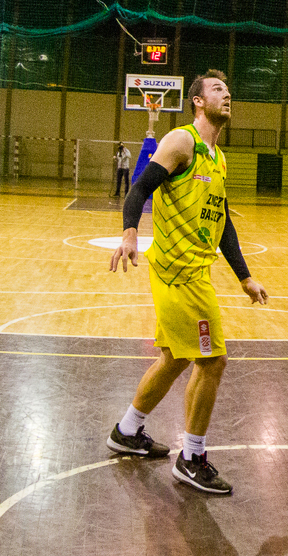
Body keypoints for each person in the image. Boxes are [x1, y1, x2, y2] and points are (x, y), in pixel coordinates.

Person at [106, 70, 268, 495]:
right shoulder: (182, 142)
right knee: (212, 361)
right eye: (217, 89)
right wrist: (129, 233)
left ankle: (127, 431)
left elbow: (223, 221)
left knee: (175, 359)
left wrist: (245, 276)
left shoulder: (219, 158)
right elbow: (139, 188)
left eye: (228, 89)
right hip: (179, 273)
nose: (227, 94)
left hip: (194, 272)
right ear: (197, 101)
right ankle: (192, 458)